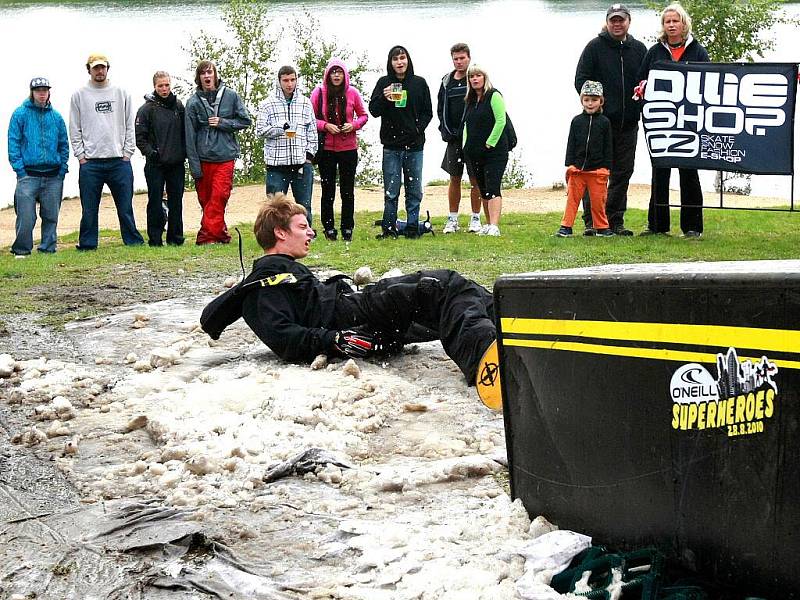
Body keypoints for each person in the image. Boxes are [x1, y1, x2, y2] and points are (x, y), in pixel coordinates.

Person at [200, 194, 496, 386]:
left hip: (356, 312)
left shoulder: (277, 273)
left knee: (450, 299)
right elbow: (282, 337)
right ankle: (485, 357)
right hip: (352, 313)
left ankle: (507, 321)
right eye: (303, 227)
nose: (311, 233)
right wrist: (336, 340)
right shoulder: (263, 282)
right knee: (441, 286)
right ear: (280, 232)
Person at [636, 3, 709, 239]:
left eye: (675, 21)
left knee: (689, 173)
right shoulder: (655, 51)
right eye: (667, 21)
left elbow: (710, 83)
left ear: (683, 23)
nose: (671, 25)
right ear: (663, 26)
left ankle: (692, 227)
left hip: (689, 121)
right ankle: (657, 225)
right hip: (662, 121)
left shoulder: (698, 51)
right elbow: (641, 81)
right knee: (660, 171)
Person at [574, 3, 646, 236]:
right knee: (594, 173)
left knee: (623, 172)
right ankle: (592, 221)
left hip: (629, 123)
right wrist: (595, 105)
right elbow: (581, 79)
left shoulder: (639, 49)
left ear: (628, 22)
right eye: (613, 20)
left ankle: (614, 220)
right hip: (600, 124)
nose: (617, 24)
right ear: (607, 22)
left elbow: (649, 82)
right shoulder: (594, 47)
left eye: (621, 20)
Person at [69, 53, 143, 250]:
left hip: (119, 160)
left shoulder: (120, 92)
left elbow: (130, 124)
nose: (99, 71)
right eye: (96, 68)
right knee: (89, 209)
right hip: (91, 162)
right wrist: (80, 156)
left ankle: (132, 240)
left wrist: (128, 152)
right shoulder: (79, 95)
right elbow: (74, 128)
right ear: (89, 70)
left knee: (125, 206)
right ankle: (87, 243)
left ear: (107, 68)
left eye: (102, 67)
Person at [369, 45, 433, 239]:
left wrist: (417, 129)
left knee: (414, 191)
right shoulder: (384, 82)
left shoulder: (419, 83)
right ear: (390, 63)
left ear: (408, 60)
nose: (399, 62)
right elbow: (373, 110)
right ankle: (389, 229)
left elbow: (428, 112)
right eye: (395, 59)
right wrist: (384, 97)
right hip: (391, 146)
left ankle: (413, 227)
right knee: (391, 191)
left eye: (402, 58)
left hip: (414, 146)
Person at [185, 60, 251, 245]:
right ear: (198, 78)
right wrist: (194, 165)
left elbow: (245, 121)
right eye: (203, 73)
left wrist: (223, 123)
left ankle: (205, 237)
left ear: (215, 75)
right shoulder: (193, 102)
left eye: (210, 72)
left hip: (225, 156)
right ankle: (220, 234)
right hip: (203, 157)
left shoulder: (231, 96)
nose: (207, 76)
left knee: (219, 196)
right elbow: (189, 137)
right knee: (206, 200)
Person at [7, 77, 69, 257]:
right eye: (38, 90)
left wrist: (62, 169)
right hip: (28, 175)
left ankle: (48, 248)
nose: (42, 93)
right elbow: (13, 143)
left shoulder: (56, 117)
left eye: (45, 90)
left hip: (53, 176)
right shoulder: (20, 114)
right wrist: (20, 170)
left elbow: (63, 144)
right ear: (32, 92)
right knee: (26, 217)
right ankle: (21, 250)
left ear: (49, 92)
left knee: (51, 216)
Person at [311, 59, 368, 242]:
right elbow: (310, 119)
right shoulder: (319, 93)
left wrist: (353, 125)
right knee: (328, 190)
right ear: (328, 75)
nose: (336, 75)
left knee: (347, 190)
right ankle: (329, 228)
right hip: (326, 148)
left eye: (339, 72)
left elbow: (364, 116)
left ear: (345, 75)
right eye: (333, 72)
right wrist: (326, 125)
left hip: (348, 148)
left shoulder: (352, 93)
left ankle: (347, 227)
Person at [256, 66, 317, 227]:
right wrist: (280, 128)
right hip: (276, 166)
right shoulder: (267, 104)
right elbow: (260, 131)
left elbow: (312, 132)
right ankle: (272, 235)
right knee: (274, 208)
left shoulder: (305, 103)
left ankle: (306, 234)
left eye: (292, 80)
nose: (289, 84)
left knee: (304, 205)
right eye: (285, 80)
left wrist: (309, 156)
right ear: (279, 81)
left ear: (297, 80)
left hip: (301, 164)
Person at [556, 80, 613, 238]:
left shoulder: (605, 122)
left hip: (597, 171)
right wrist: (570, 164)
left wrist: (606, 167)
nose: (590, 103)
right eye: (586, 99)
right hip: (578, 170)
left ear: (600, 101)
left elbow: (608, 147)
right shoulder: (576, 121)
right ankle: (566, 227)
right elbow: (571, 143)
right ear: (581, 100)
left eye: (594, 100)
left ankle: (601, 227)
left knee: (598, 201)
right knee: (572, 200)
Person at [135, 70, 186, 246]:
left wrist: (184, 153)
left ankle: (176, 238)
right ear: (155, 87)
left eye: (167, 85)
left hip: (176, 163)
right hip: (155, 164)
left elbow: (185, 133)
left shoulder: (178, 107)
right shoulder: (146, 109)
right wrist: (152, 153)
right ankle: (155, 239)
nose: (164, 89)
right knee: (155, 202)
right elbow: (140, 138)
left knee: (176, 202)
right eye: (160, 86)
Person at [437, 43, 481, 234]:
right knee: (454, 178)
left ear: (469, 58)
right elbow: (440, 108)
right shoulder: (447, 81)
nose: (459, 62)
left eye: (462, 58)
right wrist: (445, 130)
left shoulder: (477, 78)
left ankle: (475, 218)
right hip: (453, 138)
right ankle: (452, 219)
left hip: (472, 138)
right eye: (455, 58)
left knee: (475, 180)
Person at [462, 64, 509, 237]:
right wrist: (465, 146)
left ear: (484, 77)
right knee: (482, 188)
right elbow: (467, 124)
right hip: (475, 152)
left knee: (493, 186)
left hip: (494, 151)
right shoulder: (470, 100)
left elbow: (500, 120)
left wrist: (490, 143)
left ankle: (495, 225)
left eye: (478, 75)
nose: (474, 79)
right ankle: (488, 224)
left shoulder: (494, 95)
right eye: (471, 77)